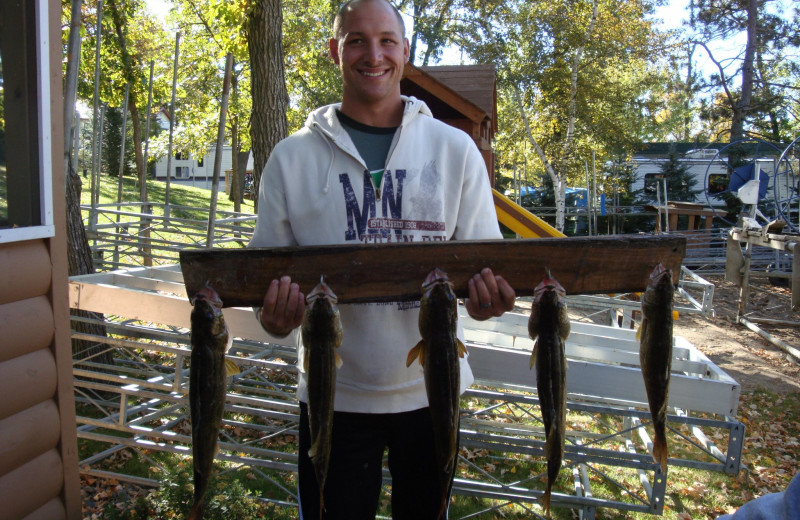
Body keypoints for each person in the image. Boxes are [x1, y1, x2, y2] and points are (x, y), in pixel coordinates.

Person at [248, 0, 516, 518]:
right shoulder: (289, 160)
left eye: (387, 40)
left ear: (405, 52)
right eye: (356, 40)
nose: (374, 54)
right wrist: (274, 318)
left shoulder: (456, 150)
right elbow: (268, 288)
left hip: (434, 394)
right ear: (335, 51)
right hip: (334, 399)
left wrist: (487, 303)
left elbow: (485, 269)